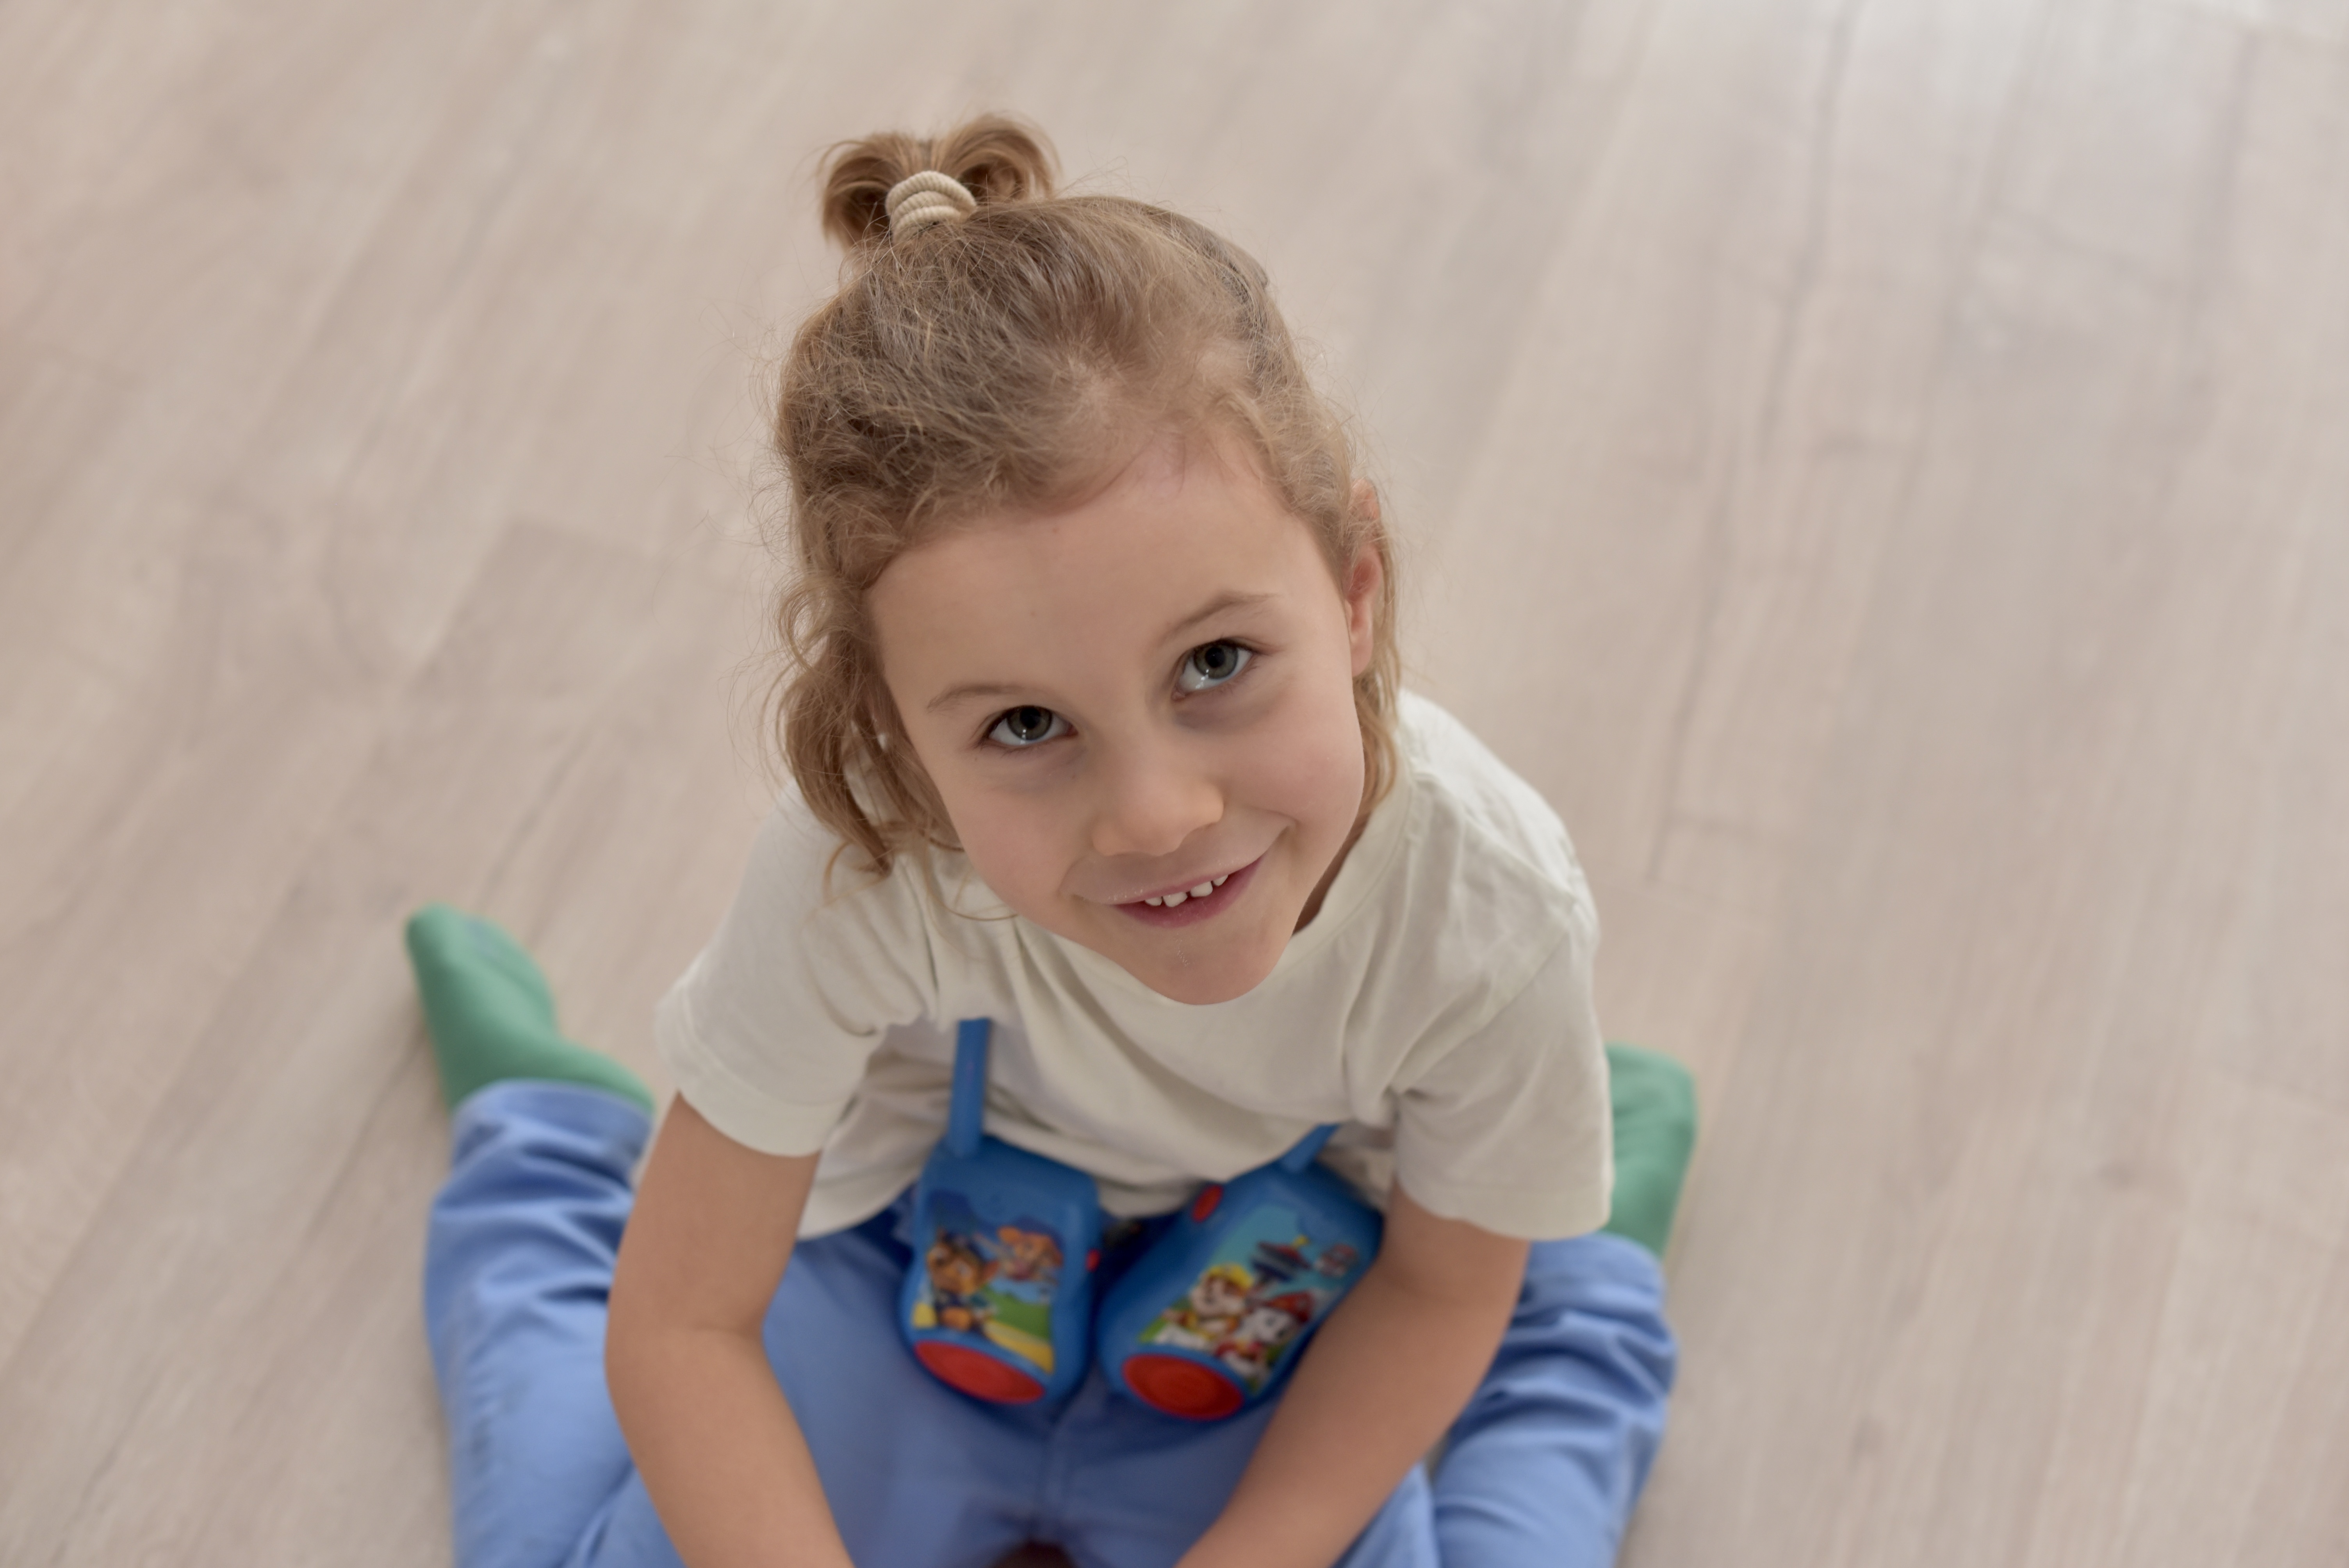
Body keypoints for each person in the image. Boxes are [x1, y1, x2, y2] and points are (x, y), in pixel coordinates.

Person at [406, 114, 1698, 1568]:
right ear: (895, 736)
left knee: (1505, 1320)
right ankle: (549, 1138)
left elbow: (1441, 1294)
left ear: (1353, 590)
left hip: (1278, 1322)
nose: (1158, 815)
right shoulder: (864, 856)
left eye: (1215, 664)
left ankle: (1588, 1266)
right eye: (1025, 725)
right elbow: (687, 1323)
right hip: (895, 1284)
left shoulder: (1492, 912)